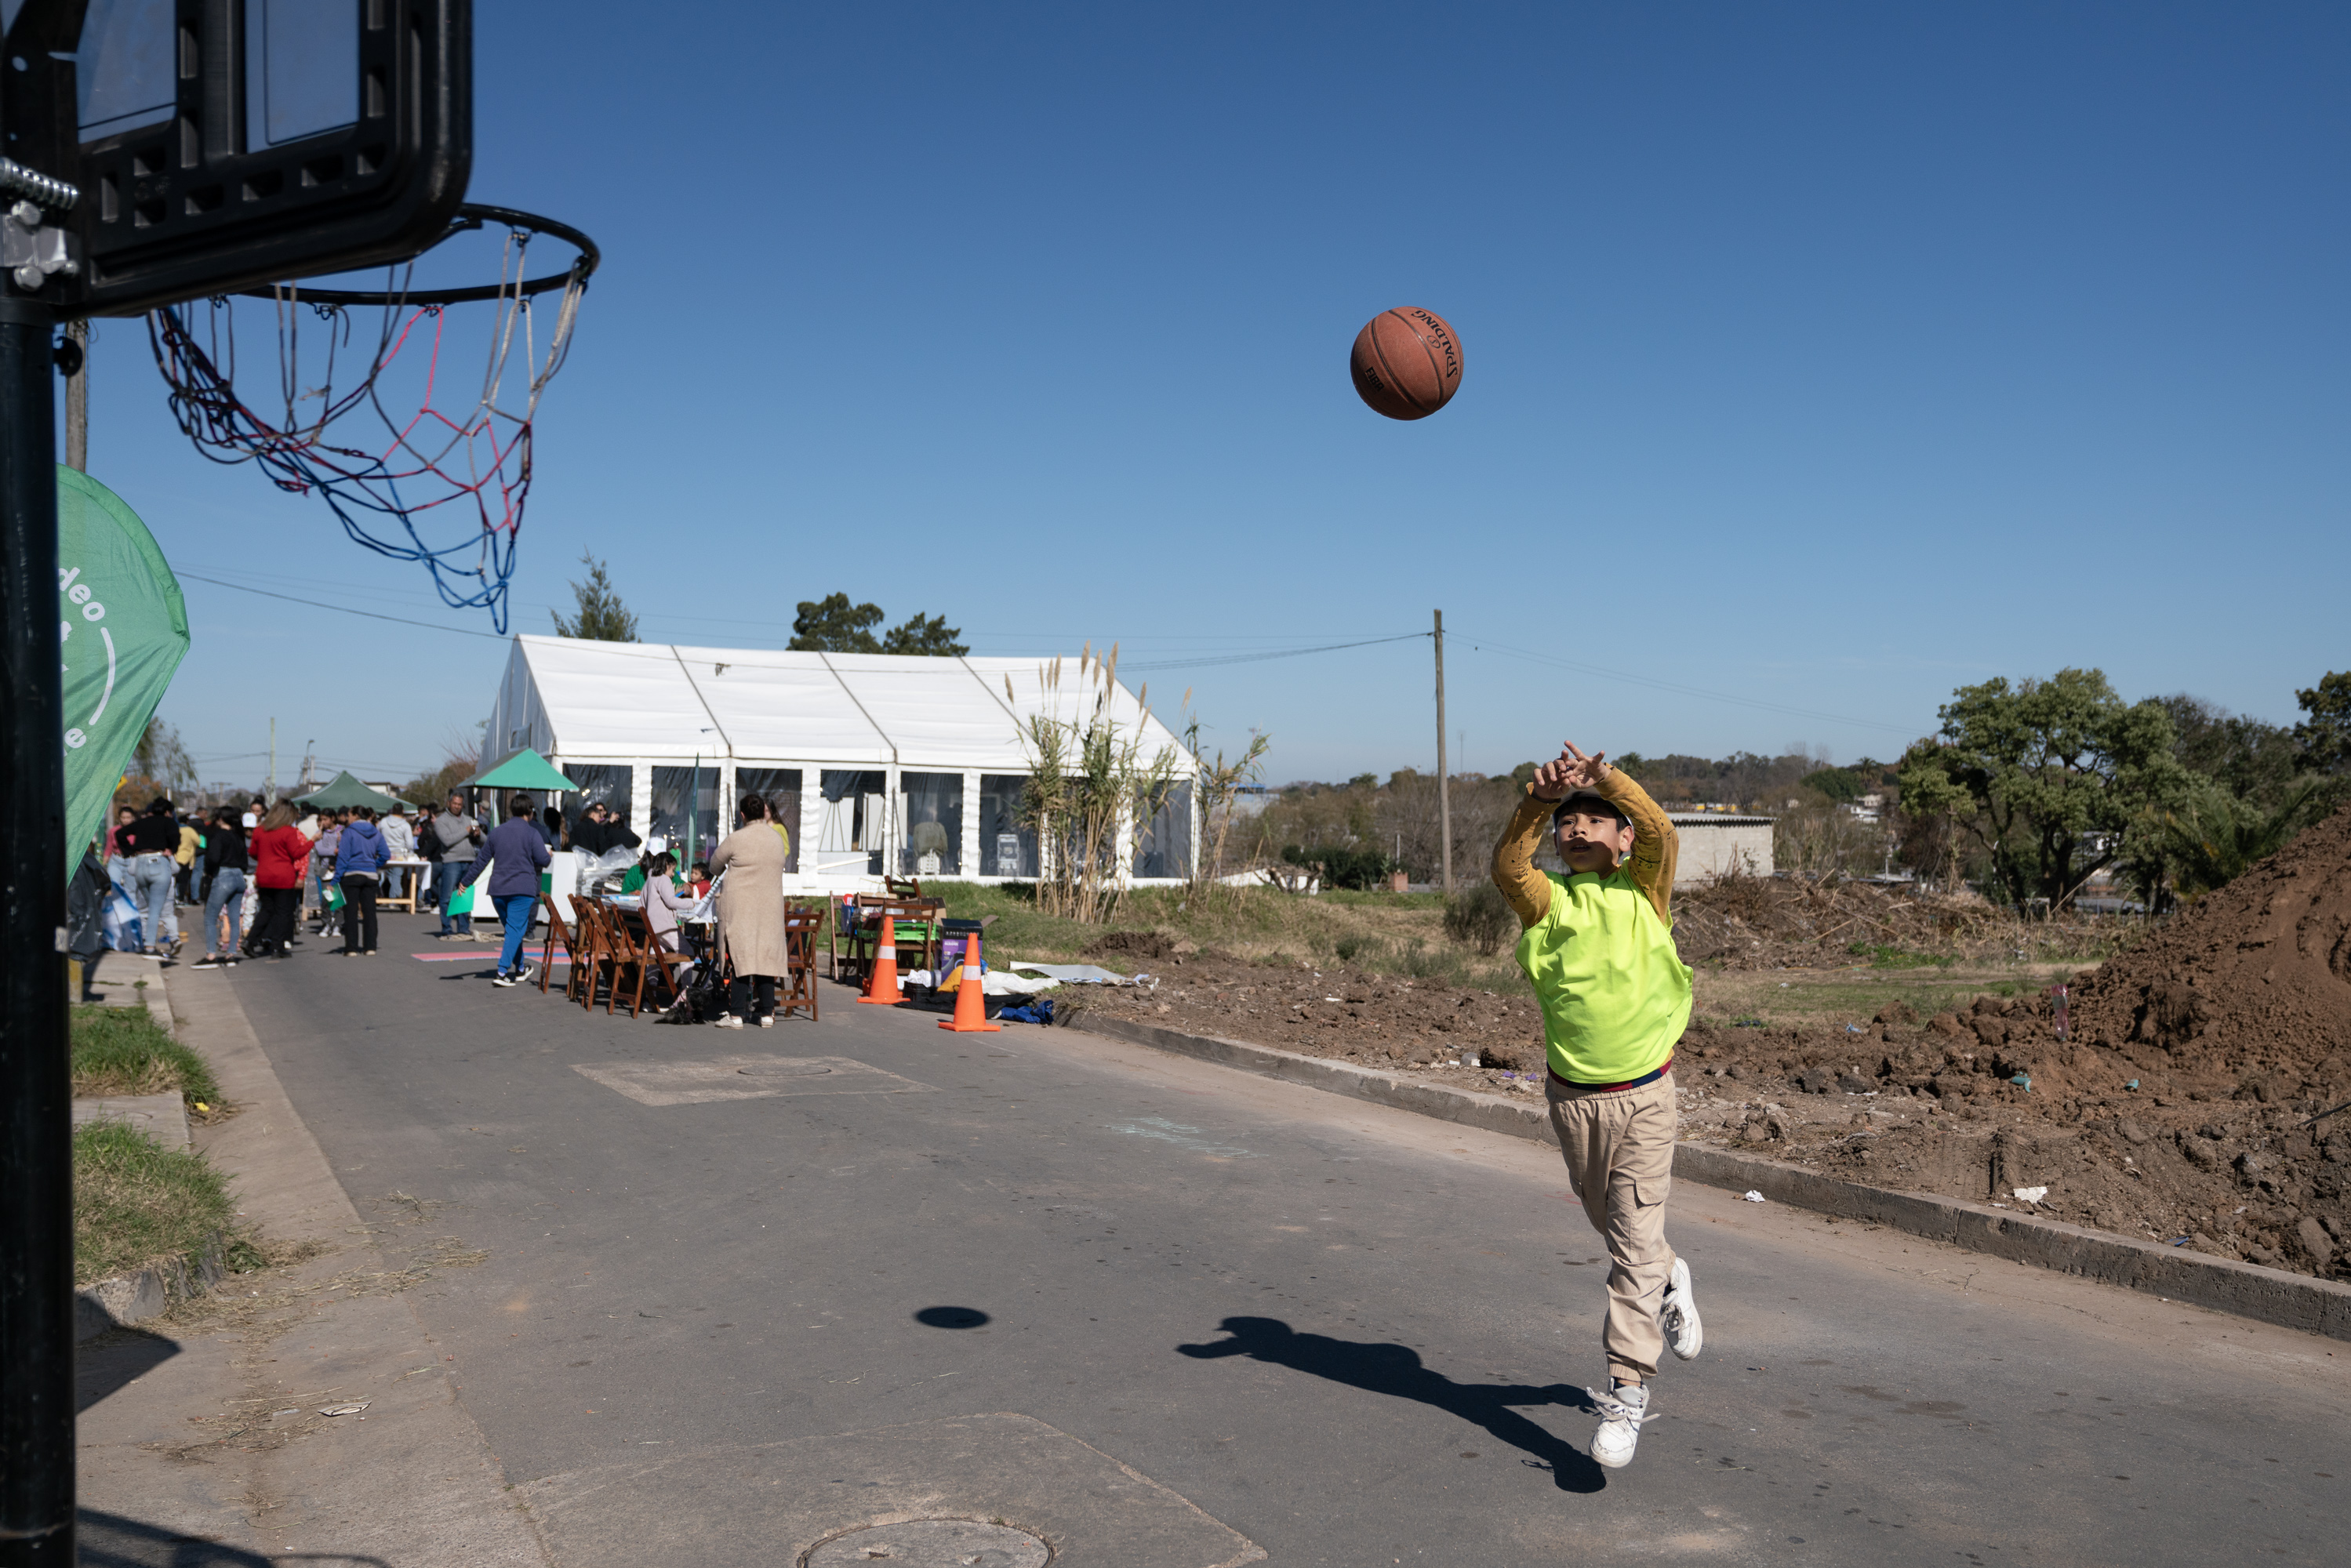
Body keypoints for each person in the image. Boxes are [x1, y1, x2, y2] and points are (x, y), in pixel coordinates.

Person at [1491, 741, 1702, 1471]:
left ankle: (1626, 1392)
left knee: (1630, 1248)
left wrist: (1608, 780)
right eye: (1567, 821)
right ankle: (1669, 1274)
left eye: (1595, 818)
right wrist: (1536, 801)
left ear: (1624, 838)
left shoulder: (1646, 890)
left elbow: (1666, 834)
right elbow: (1508, 869)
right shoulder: (1549, 903)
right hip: (1573, 1103)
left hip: (1646, 1095)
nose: (1577, 828)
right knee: (1622, 1237)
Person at [705, 792, 790, 1029]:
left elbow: (714, 866)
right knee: (765, 958)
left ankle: (736, 1015)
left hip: (740, 907)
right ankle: (766, 1013)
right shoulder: (775, 839)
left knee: (740, 959)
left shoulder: (736, 838)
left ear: (742, 814)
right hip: (770, 907)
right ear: (764, 811)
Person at [456, 793, 552, 986]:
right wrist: (547, 853)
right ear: (530, 812)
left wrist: (465, 882)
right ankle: (501, 972)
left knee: (512, 930)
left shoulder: (497, 832)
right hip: (522, 889)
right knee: (515, 930)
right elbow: (544, 860)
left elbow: (482, 860)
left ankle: (522, 968)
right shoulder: (532, 833)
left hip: (498, 890)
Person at [119, 799, 184, 956]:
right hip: (159, 863)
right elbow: (175, 838)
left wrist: (129, 852)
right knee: (155, 910)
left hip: (140, 865)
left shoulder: (142, 822)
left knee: (149, 908)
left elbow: (119, 833)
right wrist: (172, 849)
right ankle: (150, 948)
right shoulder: (169, 822)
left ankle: (146, 942)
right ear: (168, 812)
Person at [190, 807, 251, 968]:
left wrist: (209, 873)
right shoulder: (239, 837)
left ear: (221, 819)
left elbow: (213, 858)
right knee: (235, 917)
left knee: (210, 917)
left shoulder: (218, 836)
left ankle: (210, 956)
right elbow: (245, 860)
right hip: (239, 876)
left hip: (223, 875)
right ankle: (231, 954)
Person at [249, 801, 311, 957]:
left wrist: (265, 857)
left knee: (266, 910)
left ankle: (250, 941)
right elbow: (297, 853)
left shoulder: (259, 830)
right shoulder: (288, 831)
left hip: (264, 874)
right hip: (283, 876)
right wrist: (312, 841)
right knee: (283, 912)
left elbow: (253, 852)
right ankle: (278, 947)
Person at [332, 805, 391, 956]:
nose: (348, 818)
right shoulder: (376, 832)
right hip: (370, 876)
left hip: (351, 875)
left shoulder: (349, 832)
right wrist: (373, 864)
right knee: (370, 912)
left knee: (351, 913)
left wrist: (335, 879)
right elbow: (385, 855)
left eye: (349, 815)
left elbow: (343, 858)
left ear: (356, 816)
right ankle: (370, 947)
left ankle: (351, 948)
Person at [430, 792, 485, 939]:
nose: (457, 806)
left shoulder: (469, 819)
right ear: (449, 803)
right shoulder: (441, 821)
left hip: (469, 861)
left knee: (464, 896)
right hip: (451, 862)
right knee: (447, 896)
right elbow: (447, 840)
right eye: (454, 803)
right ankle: (447, 929)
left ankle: (464, 929)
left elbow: (485, 841)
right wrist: (466, 831)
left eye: (460, 804)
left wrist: (478, 833)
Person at [67, 840, 111, 1001]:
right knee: (70, 949)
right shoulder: (83, 860)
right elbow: (104, 881)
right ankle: (71, 994)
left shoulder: (73, 860)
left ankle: (70, 993)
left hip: (69, 918)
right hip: (76, 917)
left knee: (64, 949)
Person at [639, 850, 692, 951]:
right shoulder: (664, 879)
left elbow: (643, 902)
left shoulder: (651, 879)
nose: (673, 874)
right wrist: (691, 904)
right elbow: (671, 902)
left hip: (652, 926)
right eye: (673, 870)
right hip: (665, 926)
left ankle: (653, 968)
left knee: (658, 957)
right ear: (667, 865)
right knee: (687, 952)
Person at [379, 804, 417, 902]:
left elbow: (377, 836)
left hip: (384, 853)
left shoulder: (383, 822)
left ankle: (394, 896)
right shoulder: (405, 825)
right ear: (403, 812)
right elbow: (409, 843)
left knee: (390, 875)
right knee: (396, 875)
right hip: (399, 855)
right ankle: (395, 897)